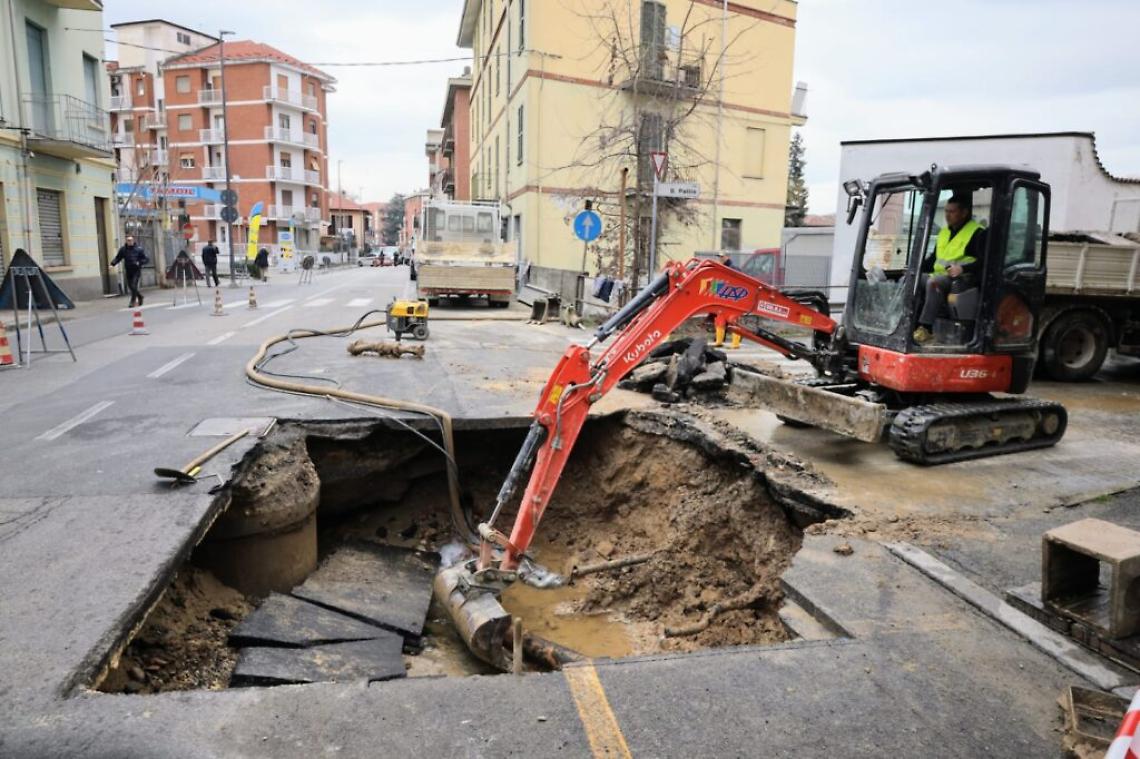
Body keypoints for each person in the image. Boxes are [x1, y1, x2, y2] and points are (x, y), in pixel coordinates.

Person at [912, 194, 986, 345]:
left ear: (964, 213)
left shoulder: (978, 233)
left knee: (933, 283)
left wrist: (962, 269)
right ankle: (909, 323)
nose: (947, 215)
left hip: (962, 279)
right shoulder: (944, 232)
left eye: (952, 211)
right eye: (946, 211)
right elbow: (933, 259)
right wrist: (914, 268)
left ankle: (926, 328)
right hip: (940, 274)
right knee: (911, 279)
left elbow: (985, 262)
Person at [111, 235, 149, 307]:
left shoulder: (139, 249)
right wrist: (112, 264)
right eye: (128, 240)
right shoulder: (123, 249)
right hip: (128, 270)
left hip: (136, 270)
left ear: (133, 240)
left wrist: (139, 262)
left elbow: (146, 259)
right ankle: (140, 296)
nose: (130, 242)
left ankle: (132, 301)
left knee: (134, 285)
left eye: (131, 240)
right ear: (126, 241)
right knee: (131, 286)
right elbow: (118, 258)